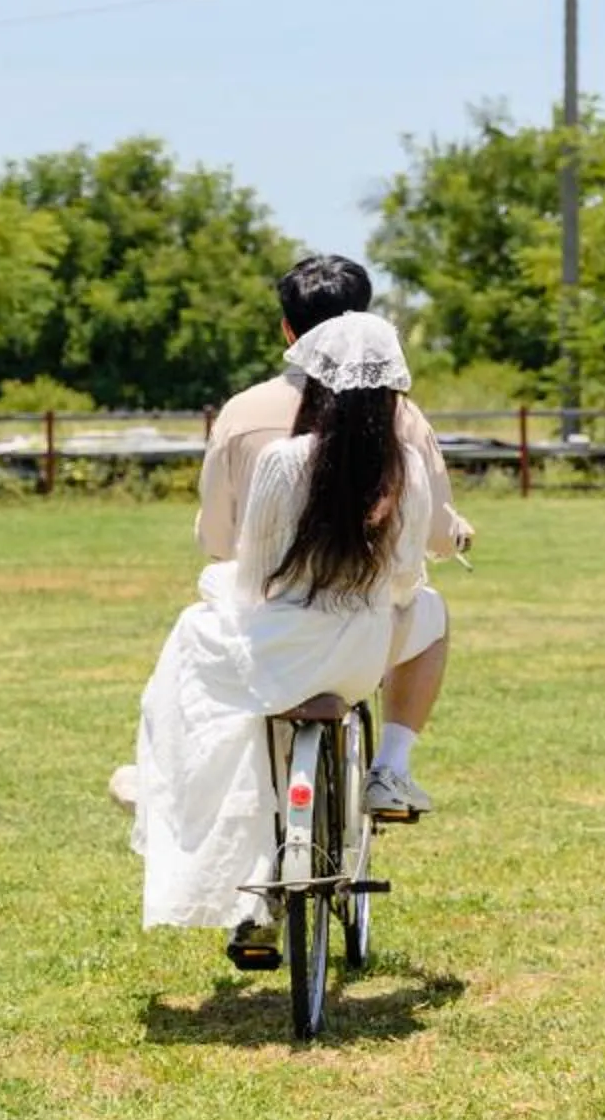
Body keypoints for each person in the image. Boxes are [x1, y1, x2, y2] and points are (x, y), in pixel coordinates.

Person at [129, 311, 447, 967]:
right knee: (432, 613)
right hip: (357, 656)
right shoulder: (405, 469)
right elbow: (403, 579)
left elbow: (256, 573)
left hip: (278, 649)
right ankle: (393, 766)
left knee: (194, 638)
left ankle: (169, 789)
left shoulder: (284, 461)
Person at [195, 253, 467, 818]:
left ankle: (182, 780)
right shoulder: (402, 426)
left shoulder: (245, 415)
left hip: (270, 626)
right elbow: (429, 543)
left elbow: (222, 541)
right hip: (363, 636)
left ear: (288, 331)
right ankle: (392, 766)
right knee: (430, 611)